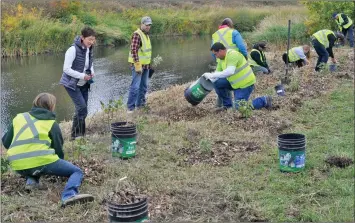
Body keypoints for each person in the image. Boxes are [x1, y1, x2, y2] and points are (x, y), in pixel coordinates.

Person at [1, 93, 94, 207]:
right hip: (41, 162)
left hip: (17, 165)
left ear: (35, 103)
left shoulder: (19, 117)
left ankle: (31, 181)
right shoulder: (51, 123)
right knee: (76, 172)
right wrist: (59, 168)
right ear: (51, 106)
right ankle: (69, 195)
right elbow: (58, 149)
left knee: (33, 165)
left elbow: (6, 142)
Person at [203, 43, 272, 112]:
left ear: (220, 50)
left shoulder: (232, 54)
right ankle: (228, 106)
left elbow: (230, 71)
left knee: (239, 109)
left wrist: (212, 75)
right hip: (235, 83)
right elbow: (217, 73)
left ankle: (264, 100)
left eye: (215, 54)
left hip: (245, 84)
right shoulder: (221, 59)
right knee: (217, 83)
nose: (216, 57)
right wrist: (206, 79)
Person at [59, 27, 96, 140]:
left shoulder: (89, 48)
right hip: (71, 84)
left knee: (82, 109)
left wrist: (92, 72)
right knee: (82, 108)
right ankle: (76, 135)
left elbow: (89, 64)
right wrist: (82, 75)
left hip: (84, 83)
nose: (91, 42)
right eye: (89, 39)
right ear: (82, 38)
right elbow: (66, 69)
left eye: (93, 40)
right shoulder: (72, 50)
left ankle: (80, 134)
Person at [211, 18, 247, 107]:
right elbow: (242, 47)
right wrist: (245, 58)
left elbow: (212, 52)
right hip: (235, 62)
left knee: (221, 82)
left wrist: (217, 60)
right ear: (230, 25)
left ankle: (221, 104)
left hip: (221, 63)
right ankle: (232, 103)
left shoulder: (215, 35)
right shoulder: (234, 32)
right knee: (235, 81)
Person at [127, 16, 153, 113]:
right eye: (146, 25)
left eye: (149, 25)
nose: (148, 27)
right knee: (135, 87)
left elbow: (146, 53)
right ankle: (130, 108)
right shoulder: (137, 34)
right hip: (138, 66)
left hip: (146, 66)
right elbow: (133, 50)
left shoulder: (146, 35)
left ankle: (140, 105)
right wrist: (137, 65)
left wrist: (149, 65)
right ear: (142, 24)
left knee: (144, 86)